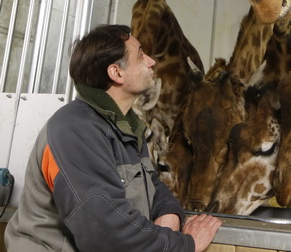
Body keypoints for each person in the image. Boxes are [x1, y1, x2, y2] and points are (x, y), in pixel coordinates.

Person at [4, 24, 222, 252]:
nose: (151, 61)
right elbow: (106, 234)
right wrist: (187, 244)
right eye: (140, 55)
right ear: (116, 73)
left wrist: (169, 213)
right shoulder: (75, 130)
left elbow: (152, 185)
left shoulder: (126, 126)